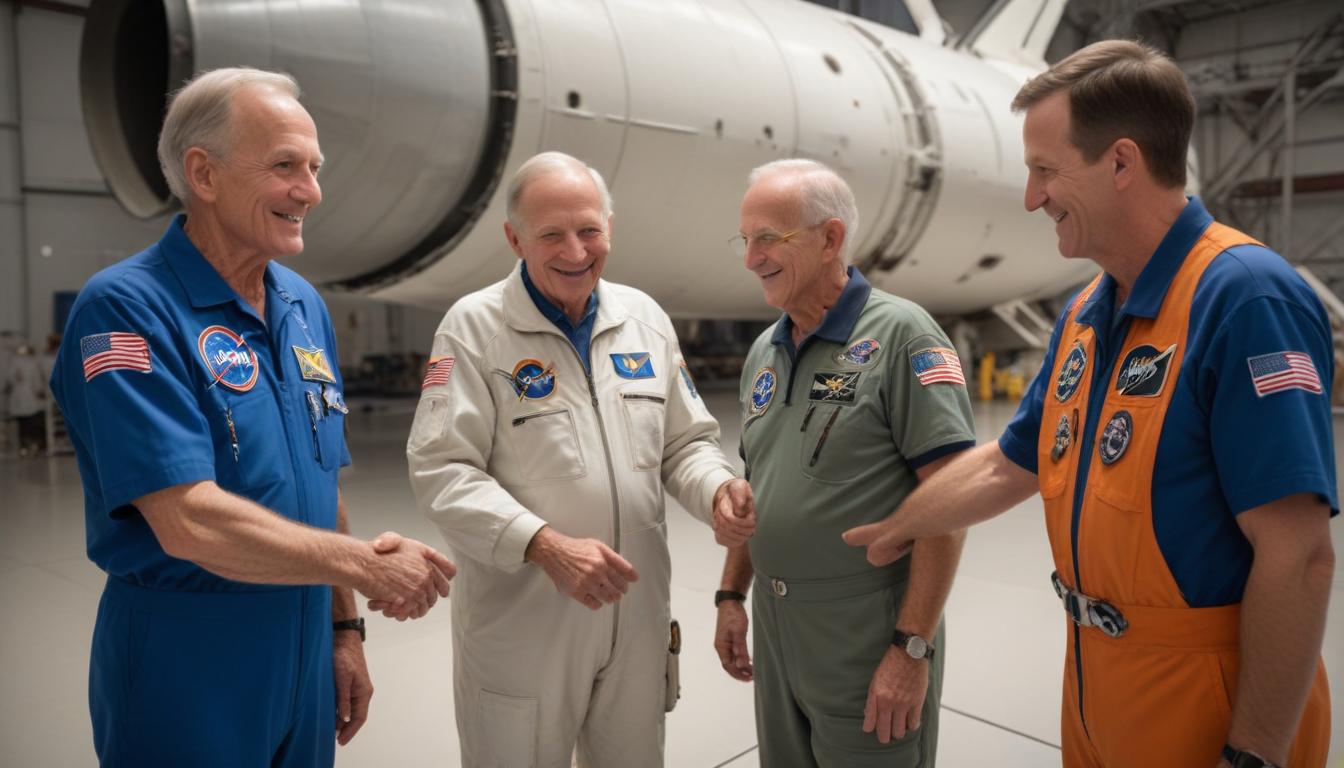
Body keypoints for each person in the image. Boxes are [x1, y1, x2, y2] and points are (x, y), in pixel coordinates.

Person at [844, 40, 1334, 768]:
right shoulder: (1086, 313)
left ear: (1122, 164)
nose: (1031, 196)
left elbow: (1298, 557)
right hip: (1095, 677)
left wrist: (1254, 753)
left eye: (1045, 170)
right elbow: (1010, 464)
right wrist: (897, 527)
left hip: (1204, 688)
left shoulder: (1242, 297)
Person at [49, 67, 457, 767]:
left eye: (314, 167)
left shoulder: (302, 306)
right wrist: (364, 566)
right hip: (188, 654)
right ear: (203, 175)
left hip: (302, 647)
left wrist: (344, 631)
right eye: (284, 166)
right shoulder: (126, 310)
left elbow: (323, 485)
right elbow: (188, 519)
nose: (311, 190)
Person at [406, 150, 756, 767]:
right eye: (551, 234)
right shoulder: (474, 330)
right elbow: (443, 469)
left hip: (636, 614)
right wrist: (543, 543)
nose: (575, 250)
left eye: (589, 229)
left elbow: (684, 443)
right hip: (527, 623)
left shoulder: (644, 320)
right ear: (515, 238)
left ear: (610, 228)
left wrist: (717, 490)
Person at [713, 159, 975, 767]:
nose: (751, 258)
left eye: (769, 239)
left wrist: (910, 650)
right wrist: (731, 594)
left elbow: (950, 501)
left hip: (865, 630)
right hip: (776, 629)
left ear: (830, 238)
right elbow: (761, 486)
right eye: (745, 240)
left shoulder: (904, 335)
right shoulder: (766, 349)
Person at [6, 343, 46, 456]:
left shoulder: (13, 363)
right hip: (30, 397)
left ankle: (22, 446)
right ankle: (34, 444)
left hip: (17, 397)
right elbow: (36, 381)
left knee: (21, 424)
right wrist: (40, 391)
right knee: (32, 422)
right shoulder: (33, 363)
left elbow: (9, 380)